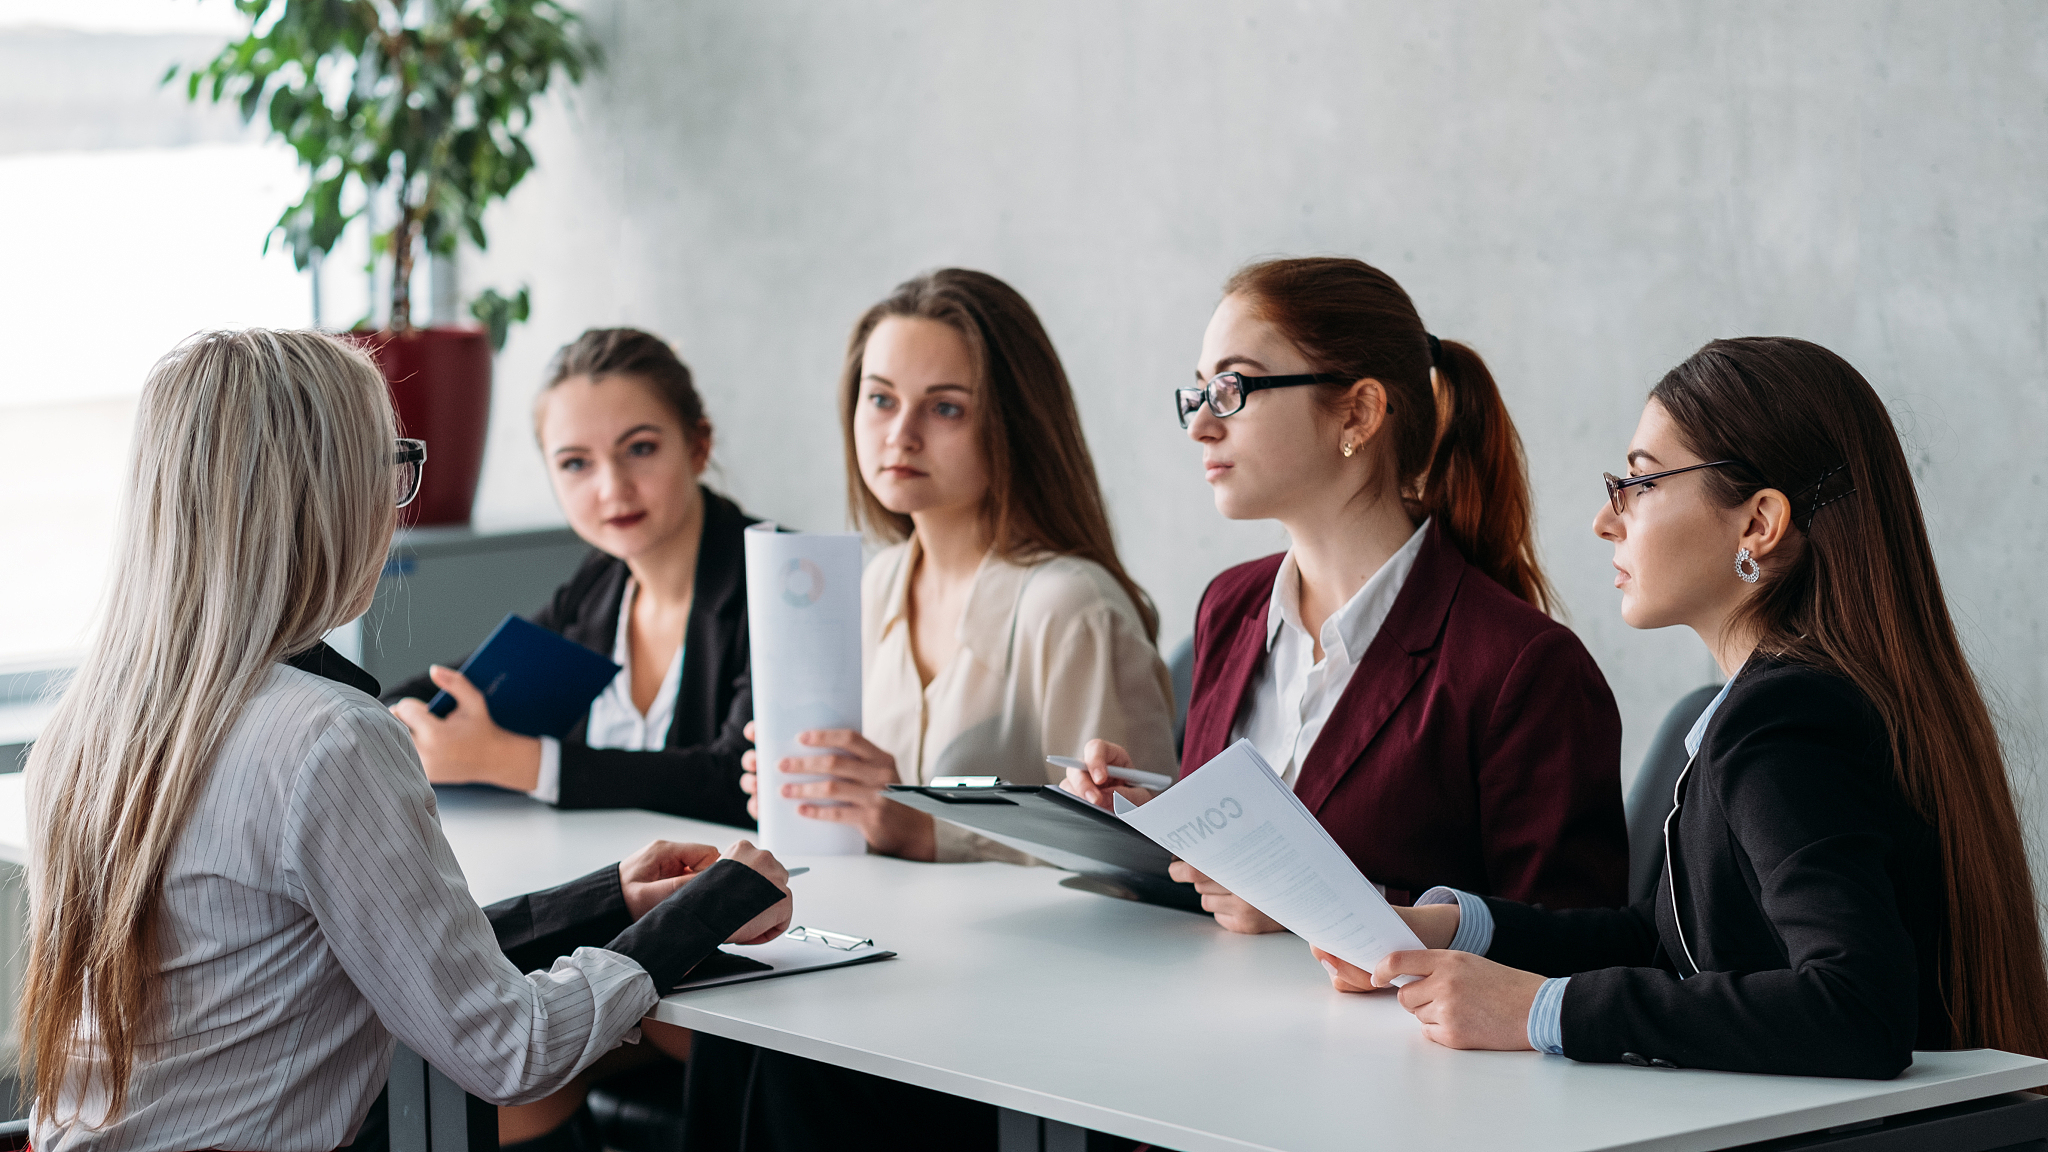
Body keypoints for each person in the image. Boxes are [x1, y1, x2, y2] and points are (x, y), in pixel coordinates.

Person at [21, 329, 793, 1152]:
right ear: (326, 495)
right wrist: (717, 902)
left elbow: (394, 946)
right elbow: (511, 1049)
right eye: (386, 468)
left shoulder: (84, 727)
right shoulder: (329, 739)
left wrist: (609, 898)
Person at [1319, 337, 2048, 1077]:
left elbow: (1856, 1006)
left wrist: (1542, 1012)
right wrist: (1454, 929)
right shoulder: (1788, 704)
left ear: (1757, 524)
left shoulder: (1787, 724)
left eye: (1639, 485)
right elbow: (1668, 942)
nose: (1607, 522)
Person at [1066, 257, 1628, 929]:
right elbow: (1227, 894)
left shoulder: (1523, 668)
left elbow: (1582, 948)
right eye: (1198, 393)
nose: (1201, 426)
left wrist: (1323, 904)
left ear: (1357, 414)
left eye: (1232, 388)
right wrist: (1137, 820)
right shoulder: (1231, 606)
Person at [741, 268, 1175, 863]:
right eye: (880, 399)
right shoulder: (876, 583)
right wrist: (819, 799)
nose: (900, 434)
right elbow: (875, 831)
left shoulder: (1072, 607)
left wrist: (928, 832)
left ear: (1014, 424)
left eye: (945, 408)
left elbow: (1139, 859)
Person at [386, 328, 757, 826]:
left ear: (698, 446)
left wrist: (517, 761)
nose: (612, 488)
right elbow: (460, 683)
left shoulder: (782, 581)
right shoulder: (602, 583)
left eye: (640, 448)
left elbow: (744, 784)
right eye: (576, 463)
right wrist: (393, 718)